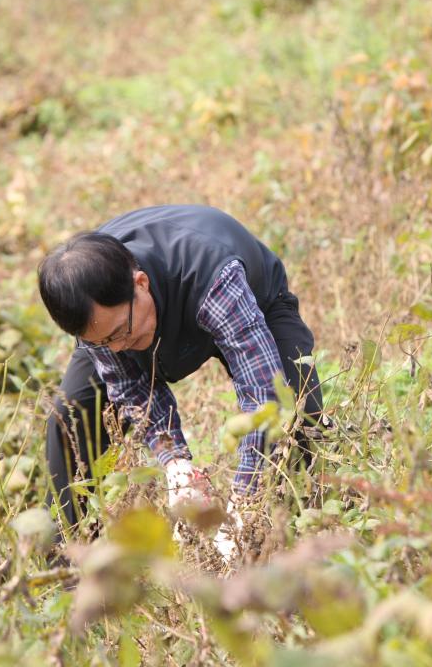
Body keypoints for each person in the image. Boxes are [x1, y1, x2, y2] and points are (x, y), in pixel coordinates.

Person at [37, 205, 327, 562]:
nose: (114, 349)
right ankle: (67, 564)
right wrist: (176, 464)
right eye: (99, 343)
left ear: (139, 284)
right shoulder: (102, 317)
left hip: (254, 302)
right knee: (69, 417)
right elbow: (131, 389)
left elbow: (263, 394)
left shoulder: (212, 277)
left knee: (297, 412)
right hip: (130, 313)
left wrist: (244, 502)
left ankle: (292, 544)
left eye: (117, 334)